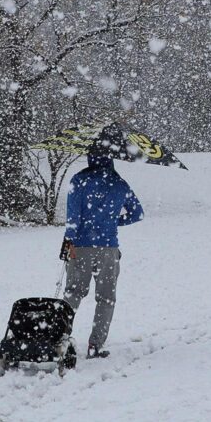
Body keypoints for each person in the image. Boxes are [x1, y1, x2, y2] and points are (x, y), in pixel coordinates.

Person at [59, 153, 143, 359]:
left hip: (80, 246)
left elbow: (73, 217)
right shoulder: (119, 183)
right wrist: (113, 221)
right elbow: (137, 213)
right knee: (106, 298)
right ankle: (96, 344)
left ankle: (58, 337)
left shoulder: (78, 180)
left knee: (73, 293)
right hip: (108, 249)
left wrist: (68, 241)